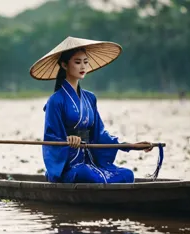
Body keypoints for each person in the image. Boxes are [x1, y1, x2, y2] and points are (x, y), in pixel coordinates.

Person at [29, 36, 155, 184]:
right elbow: (51, 137)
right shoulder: (55, 101)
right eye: (77, 62)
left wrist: (130, 146)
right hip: (68, 166)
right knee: (86, 174)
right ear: (64, 65)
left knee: (128, 175)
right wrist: (67, 140)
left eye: (85, 62)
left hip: (90, 161)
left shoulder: (90, 98)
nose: (83, 67)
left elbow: (99, 134)